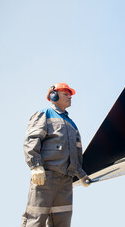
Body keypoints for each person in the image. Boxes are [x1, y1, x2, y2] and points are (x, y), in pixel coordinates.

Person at [21, 83, 91, 227]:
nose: (70, 97)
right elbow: (32, 139)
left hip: (66, 181)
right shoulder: (44, 114)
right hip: (46, 177)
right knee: (35, 219)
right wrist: (35, 166)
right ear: (54, 95)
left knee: (62, 222)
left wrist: (82, 175)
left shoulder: (72, 124)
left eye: (70, 94)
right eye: (66, 94)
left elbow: (76, 154)